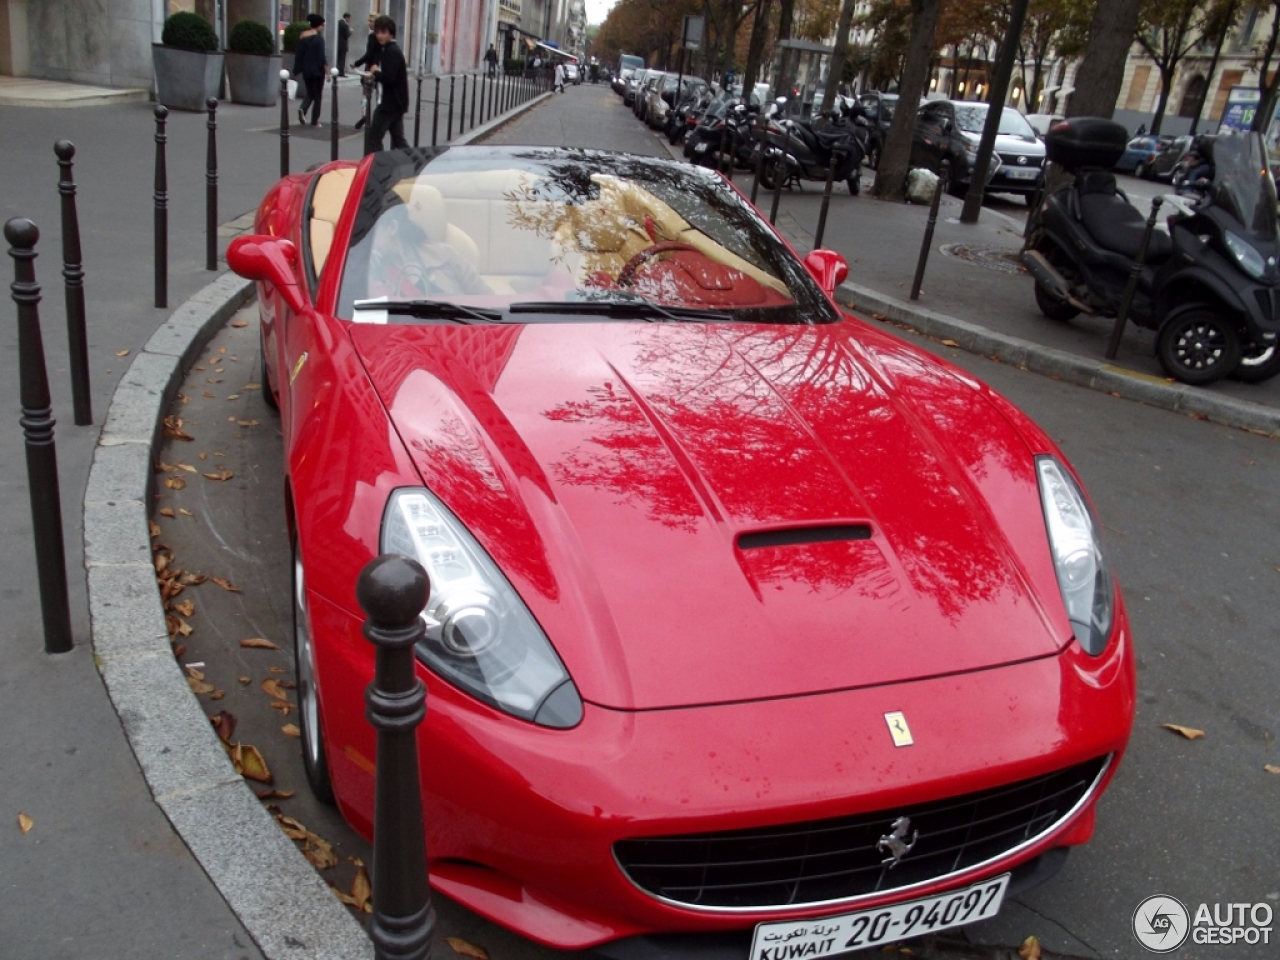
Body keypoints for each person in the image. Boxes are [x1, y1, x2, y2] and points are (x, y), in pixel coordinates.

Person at [368, 203, 490, 298]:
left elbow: (489, 300)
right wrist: (364, 273)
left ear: (392, 228)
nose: (365, 242)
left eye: (370, 233)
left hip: (458, 329)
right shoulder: (367, 270)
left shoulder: (443, 255)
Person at [364, 15, 410, 155]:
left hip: (389, 103)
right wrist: (375, 74)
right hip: (395, 102)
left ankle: (381, 168)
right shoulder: (388, 49)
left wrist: (376, 72)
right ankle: (415, 163)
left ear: (391, 33)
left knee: (374, 138)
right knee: (398, 140)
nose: (380, 36)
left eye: (383, 32)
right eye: (377, 32)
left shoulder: (392, 51)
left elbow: (389, 78)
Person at [292, 14, 328, 127]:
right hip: (317, 71)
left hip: (306, 71)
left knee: (310, 93)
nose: (323, 28)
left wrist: (295, 71)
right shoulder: (319, 39)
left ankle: (303, 108)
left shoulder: (303, 37)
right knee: (318, 96)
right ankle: (315, 121)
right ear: (318, 25)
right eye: (322, 25)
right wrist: (328, 72)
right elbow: (322, 57)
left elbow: (299, 55)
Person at [352, 14, 381, 130]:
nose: (369, 23)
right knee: (379, 95)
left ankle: (365, 115)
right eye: (369, 20)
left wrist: (357, 63)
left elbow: (369, 54)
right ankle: (378, 120)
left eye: (371, 21)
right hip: (381, 68)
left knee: (366, 93)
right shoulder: (383, 35)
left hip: (371, 69)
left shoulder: (372, 36)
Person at [337, 13, 352, 77]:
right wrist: (350, 31)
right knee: (342, 59)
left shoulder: (338, 22)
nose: (349, 20)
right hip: (343, 45)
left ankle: (337, 71)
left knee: (338, 59)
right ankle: (341, 73)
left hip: (337, 44)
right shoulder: (345, 25)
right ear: (347, 17)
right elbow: (346, 35)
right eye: (349, 18)